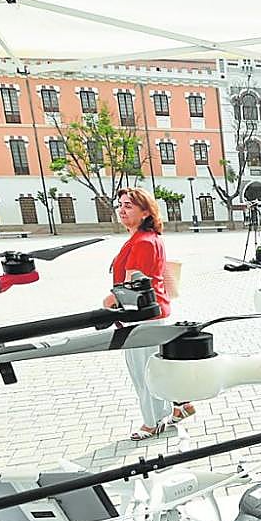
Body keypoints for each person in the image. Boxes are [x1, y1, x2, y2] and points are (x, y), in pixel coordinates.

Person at [103, 187, 190, 441]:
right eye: (120, 204)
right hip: (153, 312)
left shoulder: (142, 242)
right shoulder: (148, 238)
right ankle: (180, 405)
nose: (122, 209)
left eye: (129, 205)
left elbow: (131, 285)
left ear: (144, 212)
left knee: (144, 373)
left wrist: (107, 303)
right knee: (157, 367)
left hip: (141, 317)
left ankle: (152, 422)